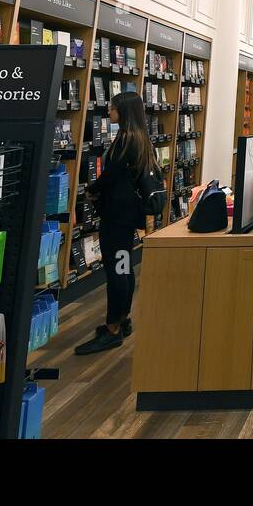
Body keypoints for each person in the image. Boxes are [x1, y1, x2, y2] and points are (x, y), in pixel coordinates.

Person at [75, 91, 157, 355]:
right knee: (124, 267)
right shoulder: (141, 138)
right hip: (128, 214)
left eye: (112, 109)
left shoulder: (126, 140)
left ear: (124, 112)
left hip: (117, 214)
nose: (109, 112)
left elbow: (112, 176)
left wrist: (92, 189)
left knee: (116, 270)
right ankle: (123, 320)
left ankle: (112, 329)